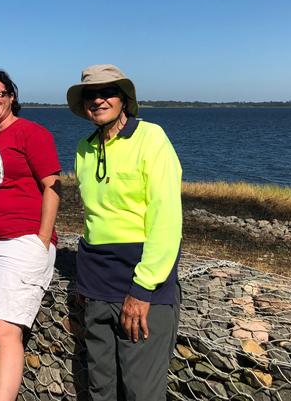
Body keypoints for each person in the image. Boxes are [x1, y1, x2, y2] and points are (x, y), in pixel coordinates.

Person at [66, 65, 182, 401]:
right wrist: (84, 280)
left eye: (107, 92)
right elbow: (94, 219)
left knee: (141, 391)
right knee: (101, 389)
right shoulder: (83, 149)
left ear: (123, 99)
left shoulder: (152, 138)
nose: (99, 100)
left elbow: (166, 219)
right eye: (90, 94)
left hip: (141, 282)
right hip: (95, 285)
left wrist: (143, 288)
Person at [0, 68, 61, 401]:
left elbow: (52, 186)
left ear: (11, 96)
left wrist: (42, 238)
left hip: (21, 240)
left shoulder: (31, 133)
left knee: (5, 330)